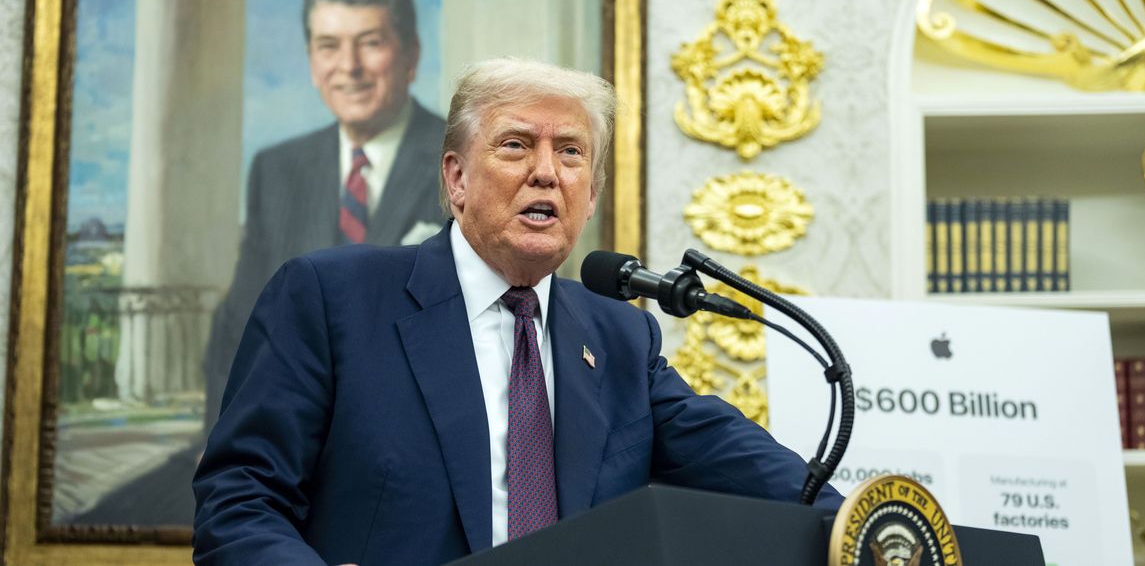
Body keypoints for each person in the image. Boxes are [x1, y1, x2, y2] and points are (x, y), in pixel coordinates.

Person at [192, 58, 842, 565]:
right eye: (514, 145)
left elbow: (766, 481)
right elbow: (239, 498)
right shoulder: (332, 298)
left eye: (570, 151)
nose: (546, 172)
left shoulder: (620, 337)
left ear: (590, 197)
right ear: (456, 180)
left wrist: (874, 527)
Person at [76, 0, 445, 527]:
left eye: (370, 44)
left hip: (406, 459)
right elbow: (240, 320)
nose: (348, 68)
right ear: (311, 61)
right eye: (328, 46)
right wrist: (219, 440)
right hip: (279, 447)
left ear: (410, 54)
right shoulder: (278, 169)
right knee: (118, 513)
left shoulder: (461, 161)